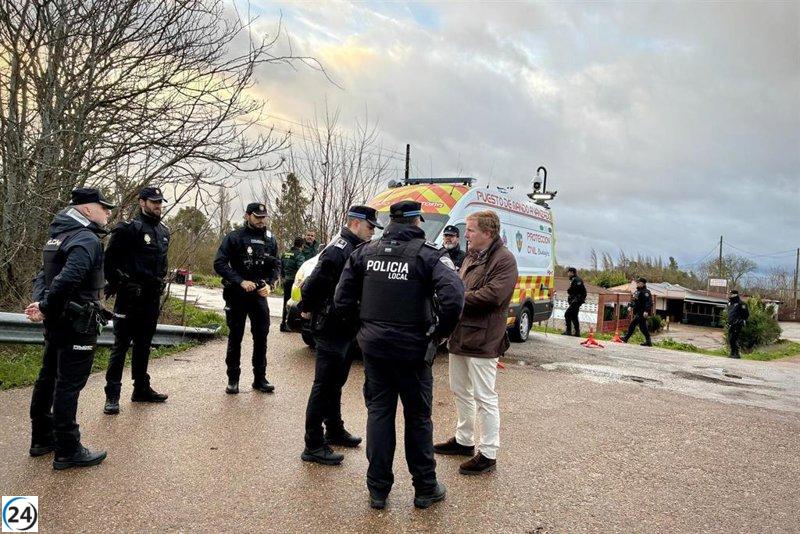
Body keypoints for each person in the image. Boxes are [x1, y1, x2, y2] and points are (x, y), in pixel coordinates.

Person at [334, 200, 465, 510]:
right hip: (413, 351)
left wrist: (363, 331)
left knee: (379, 414)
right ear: (416, 221)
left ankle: (377, 489)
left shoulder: (365, 252)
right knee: (418, 419)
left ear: (392, 221)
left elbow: (342, 298)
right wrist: (439, 334)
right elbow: (454, 297)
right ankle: (425, 487)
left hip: (376, 350)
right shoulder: (429, 255)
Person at [26, 188, 115, 469]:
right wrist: (45, 306)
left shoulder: (57, 236)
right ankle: (68, 448)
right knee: (68, 384)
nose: (108, 212)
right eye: (103, 207)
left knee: (48, 377)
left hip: (57, 321)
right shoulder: (85, 238)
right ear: (87, 209)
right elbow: (68, 278)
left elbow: (43, 277)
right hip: (77, 323)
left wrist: (43, 305)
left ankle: (42, 438)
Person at [435, 211, 518, 476]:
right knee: (460, 390)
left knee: (485, 397)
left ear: (488, 233)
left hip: (483, 339)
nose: (466, 235)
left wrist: (456, 297)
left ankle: (489, 453)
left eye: (471, 230)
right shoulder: (472, 256)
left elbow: (493, 296)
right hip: (460, 334)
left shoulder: (504, 260)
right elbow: (460, 285)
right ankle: (464, 440)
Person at [300, 206, 383, 466]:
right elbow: (314, 283)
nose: (372, 232)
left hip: (345, 327)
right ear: (356, 223)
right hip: (331, 326)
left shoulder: (355, 247)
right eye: (370, 227)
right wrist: (306, 307)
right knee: (324, 385)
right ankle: (313, 444)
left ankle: (334, 429)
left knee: (336, 382)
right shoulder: (339, 249)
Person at [102, 186, 170, 414]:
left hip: (151, 299)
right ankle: (112, 395)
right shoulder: (128, 229)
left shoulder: (163, 231)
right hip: (129, 298)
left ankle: (141, 389)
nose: (158, 205)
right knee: (121, 346)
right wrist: (121, 283)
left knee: (143, 345)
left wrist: (160, 281)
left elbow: (162, 263)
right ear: (142, 202)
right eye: (154, 202)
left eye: (160, 202)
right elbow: (108, 263)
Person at [214, 202, 280, 394]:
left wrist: (270, 284)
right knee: (236, 336)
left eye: (263, 217)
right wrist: (240, 281)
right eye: (257, 217)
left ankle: (260, 378)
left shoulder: (270, 239)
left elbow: (276, 265)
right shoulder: (234, 237)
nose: (261, 221)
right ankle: (233, 379)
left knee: (261, 337)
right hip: (237, 294)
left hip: (258, 295)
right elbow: (219, 263)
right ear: (247, 216)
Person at [279, 237, 306, 332]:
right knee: (295, 303)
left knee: (285, 302)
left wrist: (283, 277)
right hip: (294, 283)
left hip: (286, 280)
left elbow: (280, 267)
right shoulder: (299, 255)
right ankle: (290, 324)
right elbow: (302, 269)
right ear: (302, 245)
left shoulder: (285, 253)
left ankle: (283, 324)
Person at [622, 277, 653, 346]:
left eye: (638, 283)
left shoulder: (646, 292)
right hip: (638, 312)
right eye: (637, 282)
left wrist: (646, 311)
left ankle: (626, 338)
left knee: (632, 324)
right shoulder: (637, 291)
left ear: (642, 284)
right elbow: (634, 300)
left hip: (642, 312)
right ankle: (648, 342)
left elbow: (649, 302)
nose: (637, 284)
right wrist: (630, 306)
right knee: (643, 328)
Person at [562, 267, 586, 337]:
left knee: (567, 314)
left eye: (568, 272)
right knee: (574, 316)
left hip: (576, 301)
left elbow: (580, 291)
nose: (567, 273)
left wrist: (577, 299)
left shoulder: (577, 280)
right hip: (575, 301)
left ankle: (568, 331)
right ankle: (577, 332)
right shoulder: (573, 279)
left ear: (572, 272)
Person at [726, 289, 749, 359]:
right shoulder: (730, 303)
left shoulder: (741, 304)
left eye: (731, 294)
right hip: (731, 323)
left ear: (735, 294)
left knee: (734, 338)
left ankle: (736, 353)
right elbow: (730, 314)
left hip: (737, 324)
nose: (730, 295)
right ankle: (733, 353)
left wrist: (740, 321)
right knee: (730, 339)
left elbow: (746, 315)